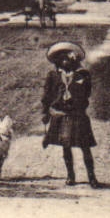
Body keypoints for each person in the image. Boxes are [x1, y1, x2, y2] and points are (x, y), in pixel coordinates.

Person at [42, 41, 100, 187]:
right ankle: (70, 176)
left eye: (68, 59)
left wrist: (75, 85)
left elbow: (86, 93)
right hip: (62, 115)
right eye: (62, 59)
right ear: (58, 62)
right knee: (66, 146)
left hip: (78, 115)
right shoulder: (53, 75)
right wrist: (46, 113)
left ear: (74, 60)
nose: (65, 62)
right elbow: (47, 96)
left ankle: (92, 177)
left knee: (85, 146)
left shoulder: (83, 75)